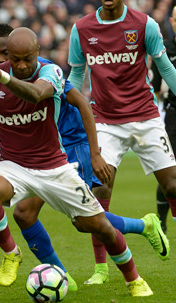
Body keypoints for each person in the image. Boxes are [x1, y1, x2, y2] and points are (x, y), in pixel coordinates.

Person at [0, 27, 154, 297]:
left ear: (38, 53)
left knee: (99, 227)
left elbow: (36, 94)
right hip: (14, 165)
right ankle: (11, 253)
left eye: (27, 58)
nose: (22, 65)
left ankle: (134, 279)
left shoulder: (50, 72)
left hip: (55, 167)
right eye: (16, 59)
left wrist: (95, 153)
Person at [68, 0, 176, 285]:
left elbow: (165, 68)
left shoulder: (144, 24)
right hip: (105, 123)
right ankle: (101, 269)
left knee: (173, 185)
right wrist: (63, 113)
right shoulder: (81, 29)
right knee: (98, 192)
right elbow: (77, 75)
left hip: (146, 117)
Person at [151, 6, 176, 234]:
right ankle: (162, 220)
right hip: (173, 116)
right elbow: (156, 87)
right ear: (172, 21)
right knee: (169, 171)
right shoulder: (165, 50)